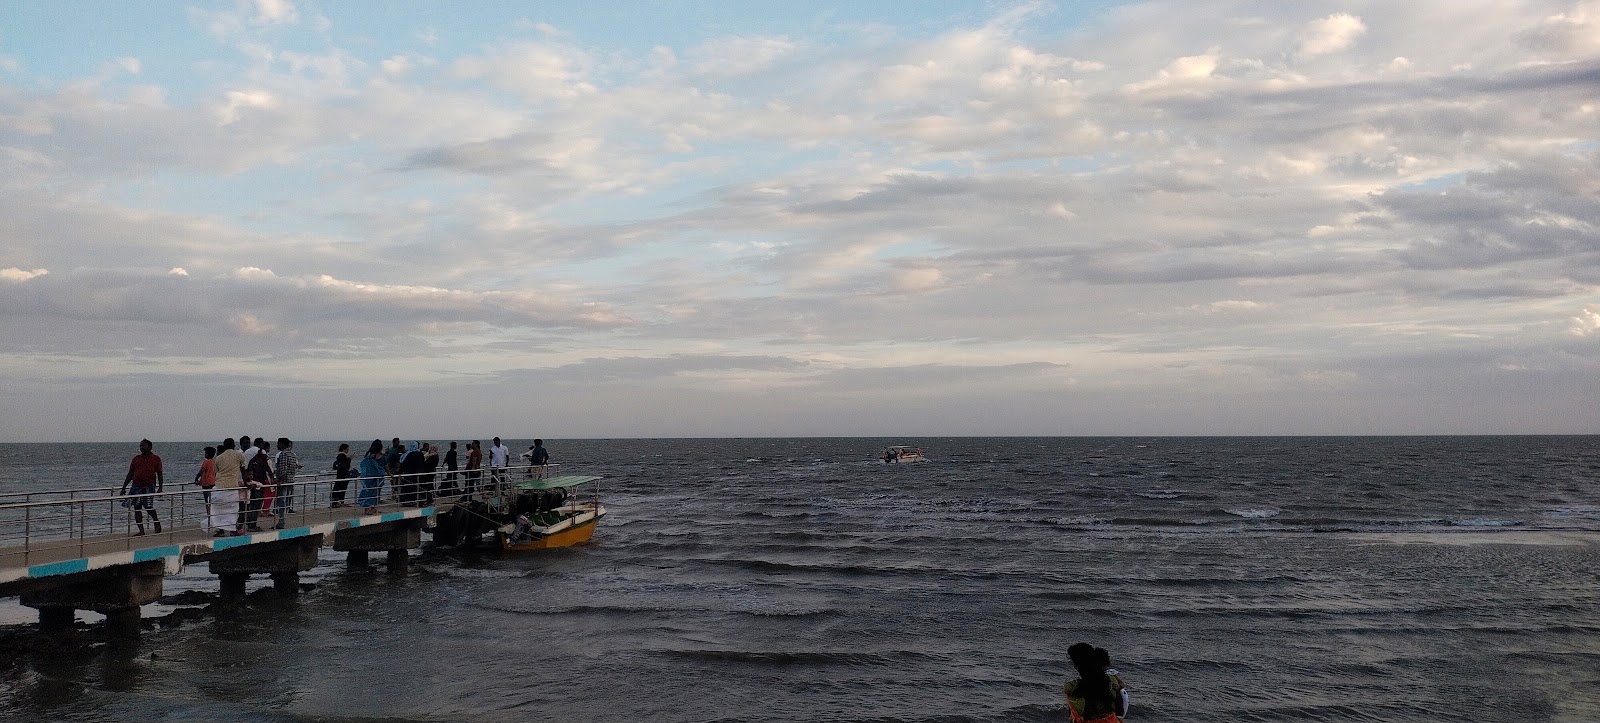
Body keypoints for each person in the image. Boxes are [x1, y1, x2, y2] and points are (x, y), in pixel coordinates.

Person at [1064, 642, 1128, 723]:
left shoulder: (1071, 687)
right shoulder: (1112, 681)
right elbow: (1120, 711)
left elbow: (1073, 716)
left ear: (1077, 666)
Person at [120, 439, 165, 536]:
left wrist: (160, 487)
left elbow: (160, 474)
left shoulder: (156, 459)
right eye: (140, 446)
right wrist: (124, 487)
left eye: (143, 446)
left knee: (148, 506)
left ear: (150, 447)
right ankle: (141, 530)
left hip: (149, 486)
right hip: (136, 486)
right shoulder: (136, 459)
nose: (141, 448)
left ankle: (156, 521)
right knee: (137, 508)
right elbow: (130, 474)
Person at [210, 438, 247, 536]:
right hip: (232, 486)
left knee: (219, 510)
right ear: (234, 446)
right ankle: (232, 530)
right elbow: (243, 471)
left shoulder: (219, 458)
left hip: (219, 487)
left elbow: (216, 472)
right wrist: (246, 483)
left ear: (224, 446)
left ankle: (220, 530)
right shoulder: (239, 455)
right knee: (233, 510)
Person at [244, 438, 273, 531]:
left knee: (250, 503)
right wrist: (273, 479)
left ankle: (249, 523)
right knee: (257, 504)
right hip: (259, 483)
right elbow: (268, 469)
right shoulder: (262, 456)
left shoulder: (248, 453)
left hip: (250, 481)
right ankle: (252, 525)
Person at [271, 438, 300, 528]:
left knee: (282, 502)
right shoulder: (293, 454)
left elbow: (283, 469)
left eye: (278, 444)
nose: (277, 445)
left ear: (283, 444)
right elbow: (294, 468)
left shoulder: (283, 454)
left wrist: (278, 479)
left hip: (284, 482)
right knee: (287, 502)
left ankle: (281, 522)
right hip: (291, 480)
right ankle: (283, 521)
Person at [356, 439, 387, 514]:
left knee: (368, 492)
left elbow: (364, 466)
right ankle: (372, 508)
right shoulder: (381, 457)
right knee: (375, 493)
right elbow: (385, 466)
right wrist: (390, 473)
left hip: (368, 478)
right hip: (378, 478)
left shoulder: (368, 456)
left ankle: (367, 509)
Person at [330, 443, 354, 508]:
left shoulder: (340, 456)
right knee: (341, 488)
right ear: (344, 449)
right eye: (347, 449)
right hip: (343, 475)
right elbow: (346, 465)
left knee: (339, 488)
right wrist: (350, 459)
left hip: (340, 475)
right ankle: (338, 502)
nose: (348, 450)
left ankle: (337, 502)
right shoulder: (342, 456)